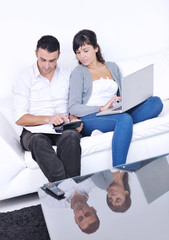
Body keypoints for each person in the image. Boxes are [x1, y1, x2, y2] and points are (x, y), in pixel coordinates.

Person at [68, 29, 163, 167]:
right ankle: (119, 167)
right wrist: (102, 108)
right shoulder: (79, 72)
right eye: (78, 52)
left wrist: (125, 100)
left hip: (115, 111)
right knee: (124, 119)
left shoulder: (112, 66)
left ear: (96, 48)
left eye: (85, 50)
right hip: (92, 116)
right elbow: (73, 107)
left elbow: (123, 94)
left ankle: (118, 127)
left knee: (155, 102)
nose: (82, 56)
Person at [13, 35, 83, 183]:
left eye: (52, 60)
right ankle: (69, 190)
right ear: (36, 54)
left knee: (71, 137)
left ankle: (68, 192)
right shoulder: (24, 78)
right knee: (38, 141)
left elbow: (73, 104)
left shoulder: (67, 74)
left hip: (62, 128)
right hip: (33, 131)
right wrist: (48, 118)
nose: (46, 66)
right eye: (43, 60)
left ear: (58, 55)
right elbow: (20, 118)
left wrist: (73, 118)